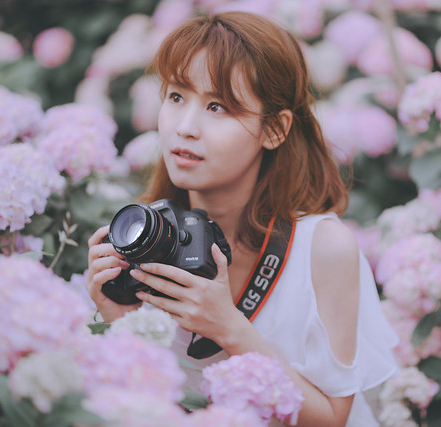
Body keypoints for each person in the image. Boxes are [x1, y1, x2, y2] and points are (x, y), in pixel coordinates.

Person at [86, 11, 398, 426]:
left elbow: (332, 419)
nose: (185, 127)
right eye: (176, 96)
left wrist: (228, 328)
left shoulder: (321, 248)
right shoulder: (147, 238)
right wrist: (124, 326)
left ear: (274, 129)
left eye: (217, 106)